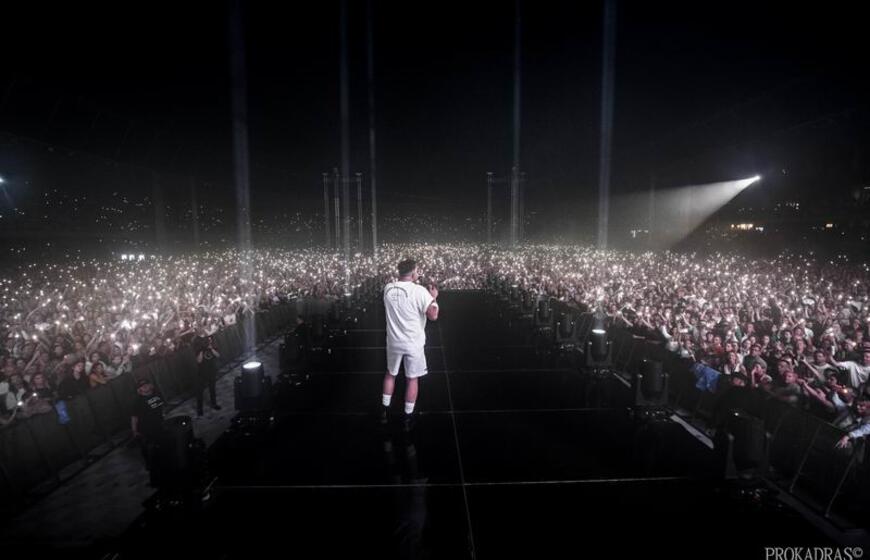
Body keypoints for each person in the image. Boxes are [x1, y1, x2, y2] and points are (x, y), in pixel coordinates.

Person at [380, 259, 440, 427]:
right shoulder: (419, 291)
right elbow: (433, 315)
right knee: (412, 379)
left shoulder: (388, 288)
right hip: (413, 343)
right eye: (417, 271)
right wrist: (433, 298)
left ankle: (384, 412)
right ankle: (407, 417)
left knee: (390, 374)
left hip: (394, 341)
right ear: (413, 273)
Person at [131, 377, 166, 469]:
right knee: (147, 448)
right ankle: (150, 465)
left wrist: (163, 417)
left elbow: (161, 408)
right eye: (142, 386)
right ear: (139, 390)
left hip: (159, 425)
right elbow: (134, 417)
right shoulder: (137, 402)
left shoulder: (157, 395)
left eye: (146, 384)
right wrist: (134, 431)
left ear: (151, 385)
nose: (145, 386)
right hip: (145, 429)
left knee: (161, 444)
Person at [195, 335, 221, 416]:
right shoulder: (199, 349)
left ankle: (214, 404)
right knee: (200, 392)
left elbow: (218, 355)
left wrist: (211, 349)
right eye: (208, 340)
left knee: (212, 389)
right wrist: (202, 350)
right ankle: (200, 409)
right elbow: (199, 361)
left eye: (210, 340)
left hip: (211, 371)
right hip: (202, 373)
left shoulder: (213, 347)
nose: (209, 341)